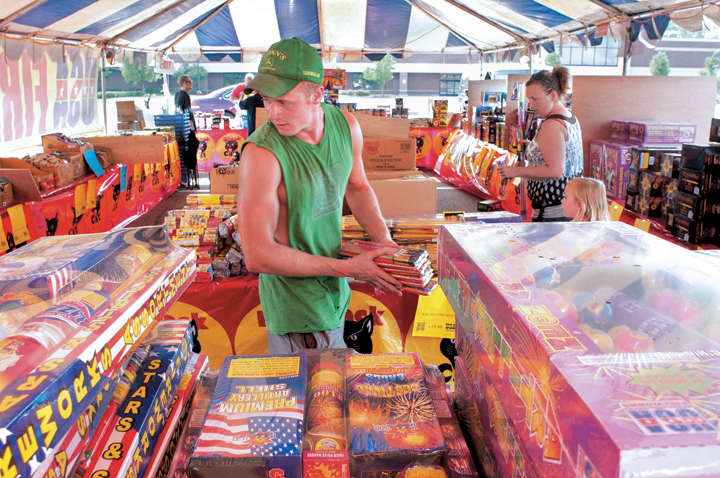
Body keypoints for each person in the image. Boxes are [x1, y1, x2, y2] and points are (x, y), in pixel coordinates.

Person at [237, 37, 402, 354]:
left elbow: (357, 186)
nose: (273, 113)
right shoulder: (261, 154)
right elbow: (256, 254)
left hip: (334, 295)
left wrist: (383, 239)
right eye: (266, 100)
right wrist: (345, 269)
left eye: (284, 102)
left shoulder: (346, 125)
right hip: (295, 312)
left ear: (317, 94)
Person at [498, 66, 583, 222]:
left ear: (552, 95)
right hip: (564, 208)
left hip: (553, 212)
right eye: (529, 99)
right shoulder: (568, 116)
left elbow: (555, 170)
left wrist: (516, 171)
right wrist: (534, 146)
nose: (531, 105)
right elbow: (562, 152)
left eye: (535, 99)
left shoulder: (552, 124)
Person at [174, 75, 199, 189]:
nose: (191, 84)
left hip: (184, 129)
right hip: (185, 130)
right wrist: (191, 128)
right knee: (187, 154)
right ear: (184, 83)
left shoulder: (180, 95)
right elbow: (183, 113)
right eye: (190, 82)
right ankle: (184, 179)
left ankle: (185, 179)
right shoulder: (182, 96)